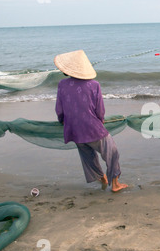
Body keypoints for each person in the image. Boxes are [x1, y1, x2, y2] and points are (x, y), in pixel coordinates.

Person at [54, 50, 128, 192]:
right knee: (112, 153)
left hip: (73, 130)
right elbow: (100, 110)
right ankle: (115, 184)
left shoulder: (62, 84)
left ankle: (102, 178)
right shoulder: (94, 85)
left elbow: (59, 109)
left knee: (88, 156)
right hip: (92, 128)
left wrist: (63, 121)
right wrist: (100, 121)